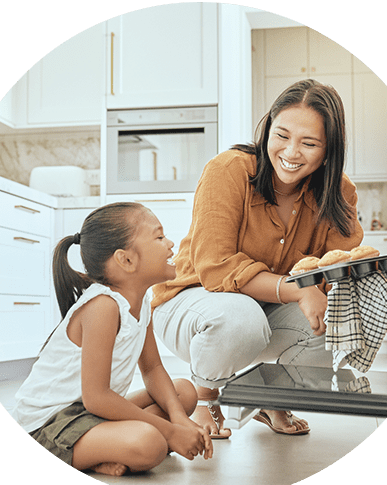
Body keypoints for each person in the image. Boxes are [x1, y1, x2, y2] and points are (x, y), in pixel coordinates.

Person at [152, 79, 364, 438]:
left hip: (265, 311)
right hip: (193, 304)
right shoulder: (230, 169)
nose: (291, 152)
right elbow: (216, 268)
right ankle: (205, 398)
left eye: (309, 143)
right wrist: (298, 289)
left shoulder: (339, 192)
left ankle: (271, 395)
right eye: (281, 135)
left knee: (341, 319)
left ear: (328, 151)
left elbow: (339, 267)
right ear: (267, 128)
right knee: (240, 318)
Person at [11, 202, 213, 476]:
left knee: (183, 393)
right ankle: (95, 454)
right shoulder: (103, 307)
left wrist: (178, 419)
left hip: (86, 414)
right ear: (126, 260)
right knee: (150, 443)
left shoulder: (142, 303)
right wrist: (170, 431)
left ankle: (103, 449)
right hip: (48, 426)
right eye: (159, 236)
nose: (171, 244)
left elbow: (152, 369)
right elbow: (96, 398)